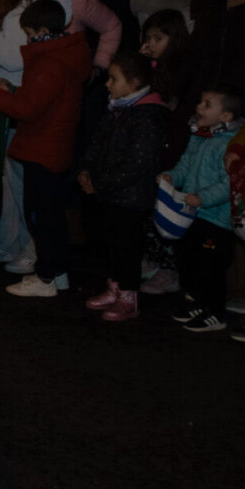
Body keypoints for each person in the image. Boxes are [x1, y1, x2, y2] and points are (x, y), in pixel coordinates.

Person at [0, 0, 91, 297]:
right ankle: (58, 272)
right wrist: (11, 90)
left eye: (29, 34)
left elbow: (28, 108)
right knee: (52, 214)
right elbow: (41, 99)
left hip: (42, 146)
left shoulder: (49, 63)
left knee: (42, 216)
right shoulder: (65, 55)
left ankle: (45, 277)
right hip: (54, 145)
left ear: (41, 30)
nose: (28, 40)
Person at [0, 0, 72, 275]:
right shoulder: (48, 1)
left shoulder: (33, 10)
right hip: (17, 97)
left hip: (19, 100)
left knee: (24, 187)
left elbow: (15, 56)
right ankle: (12, 241)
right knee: (14, 182)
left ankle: (31, 252)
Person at [78, 53, 168, 321]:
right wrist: (85, 170)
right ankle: (115, 288)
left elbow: (138, 164)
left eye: (114, 79)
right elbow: (95, 144)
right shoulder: (117, 108)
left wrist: (100, 183)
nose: (107, 84)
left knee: (127, 247)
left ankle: (129, 297)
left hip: (131, 197)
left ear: (135, 82)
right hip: (110, 193)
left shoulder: (147, 116)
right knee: (112, 244)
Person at [161, 85, 245, 333]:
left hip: (216, 218)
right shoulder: (200, 134)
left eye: (207, 104)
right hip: (192, 213)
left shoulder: (230, 145)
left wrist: (204, 197)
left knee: (212, 266)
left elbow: (230, 182)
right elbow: (185, 165)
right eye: (200, 102)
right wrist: (171, 177)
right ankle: (197, 302)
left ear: (226, 117)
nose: (199, 107)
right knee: (190, 260)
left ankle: (216, 312)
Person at [138, 9, 196, 296]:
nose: (152, 43)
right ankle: (153, 261)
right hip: (152, 146)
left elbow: (167, 102)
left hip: (174, 148)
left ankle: (170, 271)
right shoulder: (153, 65)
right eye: (148, 37)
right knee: (150, 209)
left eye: (158, 38)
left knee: (168, 209)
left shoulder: (182, 67)